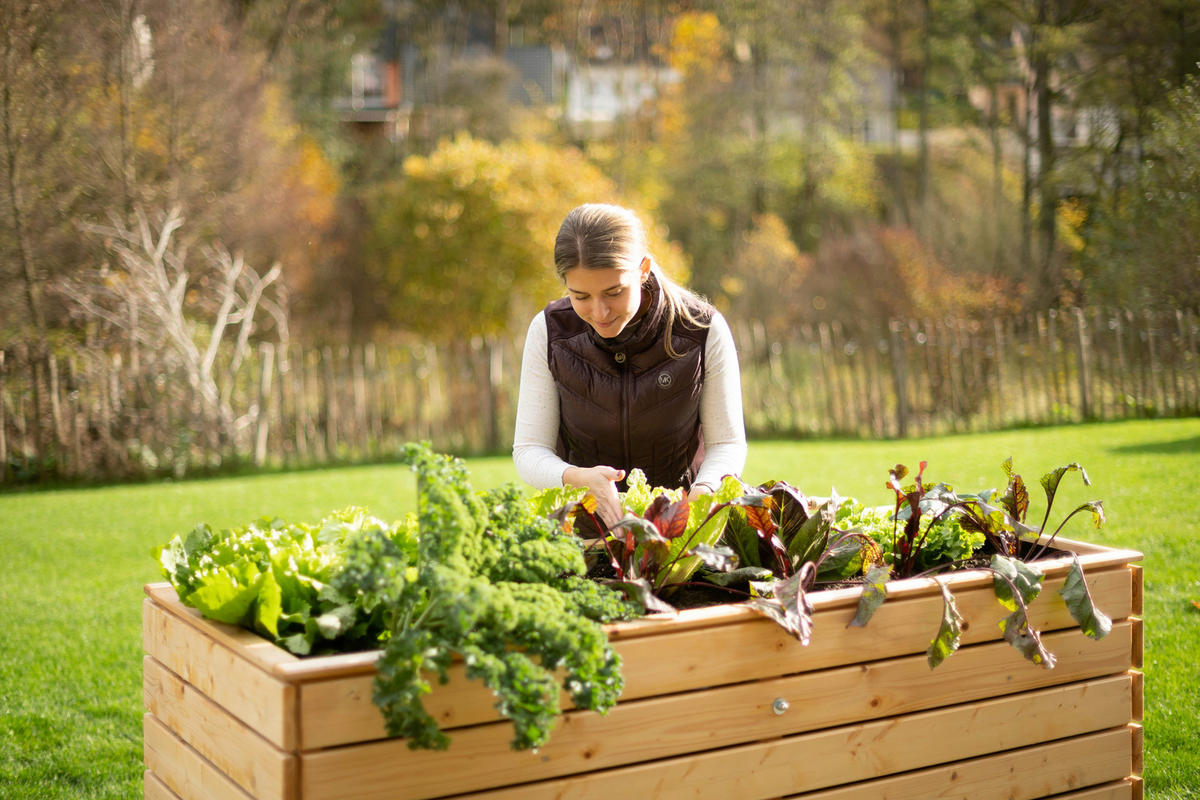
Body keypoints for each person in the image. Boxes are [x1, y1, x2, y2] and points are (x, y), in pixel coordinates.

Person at [513, 203, 747, 527]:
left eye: (614, 292)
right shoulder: (550, 333)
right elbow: (529, 451)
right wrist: (576, 478)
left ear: (643, 269)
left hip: (680, 536)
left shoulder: (701, 330)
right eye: (581, 296)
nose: (600, 312)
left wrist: (703, 493)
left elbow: (727, 444)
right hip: (585, 535)